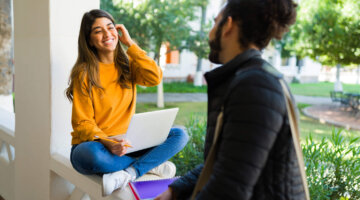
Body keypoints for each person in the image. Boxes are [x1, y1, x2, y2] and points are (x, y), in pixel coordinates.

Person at [156, 0, 306, 199]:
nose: (210, 33)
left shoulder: (254, 85)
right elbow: (229, 160)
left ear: (228, 26)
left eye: (214, 22)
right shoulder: (255, 78)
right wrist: (175, 189)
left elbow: (228, 189)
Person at [65, 9, 188, 196]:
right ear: (89, 40)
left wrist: (130, 44)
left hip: (129, 143)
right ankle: (149, 165)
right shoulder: (84, 73)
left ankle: (131, 172)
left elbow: (155, 77)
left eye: (110, 27)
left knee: (180, 134)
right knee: (90, 154)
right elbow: (83, 123)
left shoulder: (128, 66)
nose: (107, 34)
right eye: (98, 31)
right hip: (97, 145)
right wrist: (108, 142)